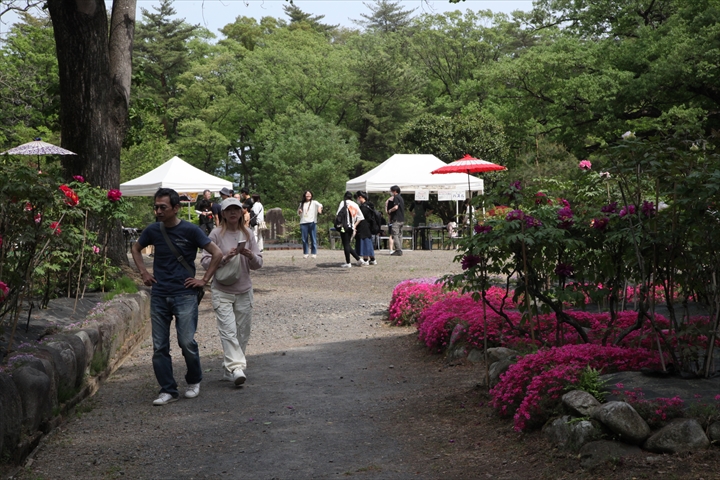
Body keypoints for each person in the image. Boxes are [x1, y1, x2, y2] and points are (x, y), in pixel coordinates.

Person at [131, 188, 223, 406]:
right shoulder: (153, 230)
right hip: (159, 294)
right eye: (156, 207)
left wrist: (204, 280)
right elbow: (136, 249)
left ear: (175, 208)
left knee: (186, 341)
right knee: (159, 346)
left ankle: (194, 380)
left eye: (163, 207)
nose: (158, 211)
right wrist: (144, 273)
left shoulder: (191, 230)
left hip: (185, 294)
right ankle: (168, 390)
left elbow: (217, 253)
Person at [201, 198, 263, 387]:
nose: (233, 212)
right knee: (228, 331)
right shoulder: (215, 234)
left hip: (244, 289)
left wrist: (250, 255)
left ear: (242, 212)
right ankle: (236, 368)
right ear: (223, 213)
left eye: (237, 209)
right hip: (222, 290)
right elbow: (204, 262)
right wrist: (224, 258)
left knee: (242, 332)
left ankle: (230, 370)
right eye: (229, 210)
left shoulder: (248, 233)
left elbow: (258, 264)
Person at [336, 191, 364, 268]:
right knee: (347, 244)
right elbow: (361, 217)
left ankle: (348, 262)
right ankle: (358, 259)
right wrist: (354, 225)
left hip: (344, 227)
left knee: (346, 245)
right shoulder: (355, 204)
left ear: (345, 197)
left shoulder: (343, 203)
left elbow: (338, 214)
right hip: (351, 227)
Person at [298, 190, 323, 259]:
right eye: (307, 194)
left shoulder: (314, 202)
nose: (308, 195)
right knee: (304, 239)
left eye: (309, 194)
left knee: (313, 238)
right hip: (303, 222)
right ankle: (306, 253)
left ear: (311, 195)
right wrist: (299, 211)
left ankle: (314, 253)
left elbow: (320, 205)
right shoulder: (301, 203)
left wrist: (319, 209)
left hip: (312, 222)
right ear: (304, 195)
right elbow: (298, 213)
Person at [354, 191, 377, 265]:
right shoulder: (369, 205)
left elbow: (360, 218)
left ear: (360, 197)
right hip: (369, 227)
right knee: (368, 243)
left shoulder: (363, 208)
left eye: (357, 198)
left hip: (363, 227)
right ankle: (372, 259)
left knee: (364, 243)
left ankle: (365, 259)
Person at [388, 185, 405, 256]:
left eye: (391, 191)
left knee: (395, 234)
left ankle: (398, 250)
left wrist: (390, 210)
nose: (390, 192)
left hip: (396, 219)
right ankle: (400, 249)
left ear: (394, 191)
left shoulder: (396, 197)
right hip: (402, 219)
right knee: (400, 235)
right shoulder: (401, 198)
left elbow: (396, 207)